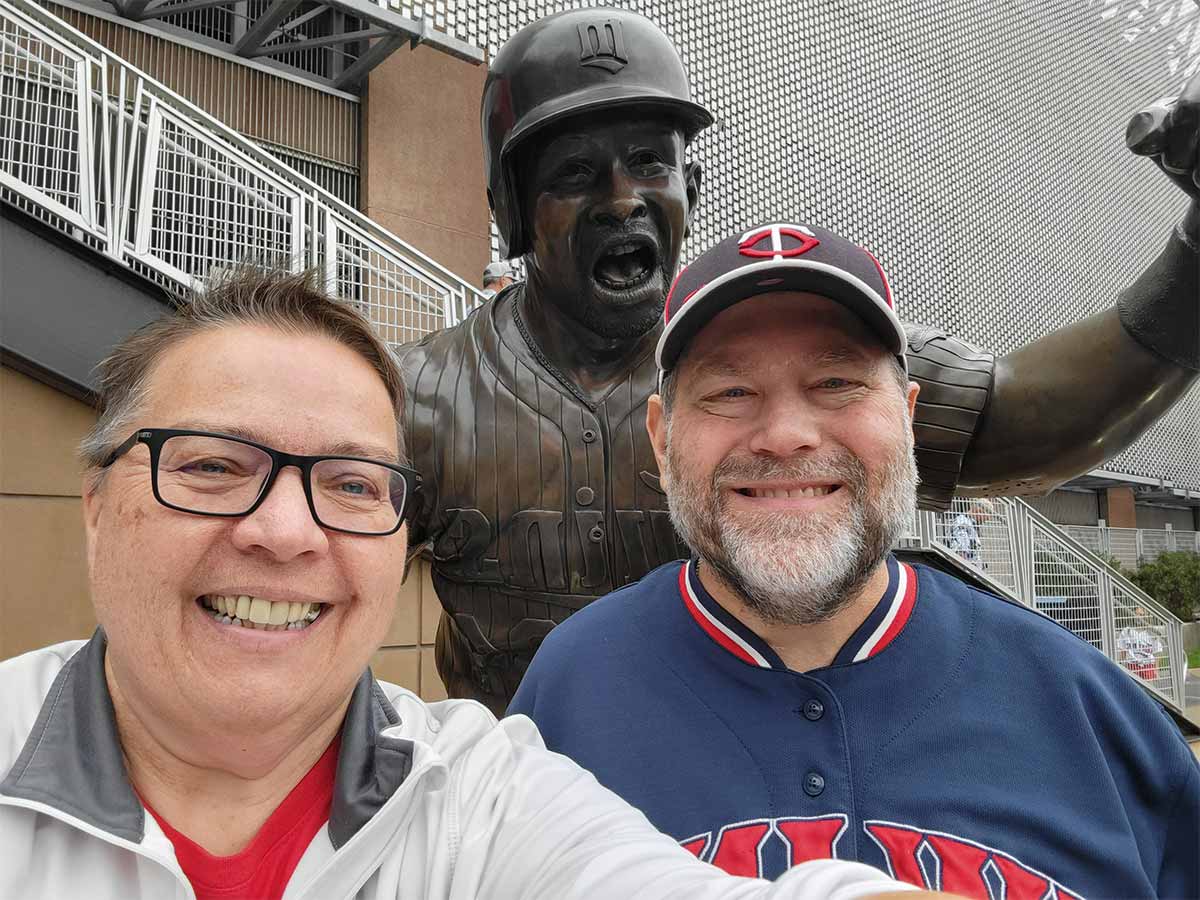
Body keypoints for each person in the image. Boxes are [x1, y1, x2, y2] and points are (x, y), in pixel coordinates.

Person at [0, 267, 942, 900]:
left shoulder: (481, 799)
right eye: (209, 467)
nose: (285, 532)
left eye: (352, 484)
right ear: (94, 504)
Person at [398, 7, 1200, 714]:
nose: (622, 199)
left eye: (650, 163)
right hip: (521, 825)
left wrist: (1193, 257)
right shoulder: (416, 398)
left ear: (692, 189)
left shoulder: (797, 346)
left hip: (760, 796)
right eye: (574, 173)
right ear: (509, 207)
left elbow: (1026, 417)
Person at [509, 224, 1200, 899]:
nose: (785, 436)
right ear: (662, 441)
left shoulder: (1088, 708)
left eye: (837, 382)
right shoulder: (568, 693)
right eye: (729, 392)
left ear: (907, 416)